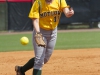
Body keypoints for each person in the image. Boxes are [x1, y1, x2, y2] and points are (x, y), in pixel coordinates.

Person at [15, 0, 74, 75]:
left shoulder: (59, 1)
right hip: (41, 32)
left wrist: (69, 13)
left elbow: (66, 11)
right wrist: (38, 33)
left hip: (53, 32)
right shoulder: (38, 3)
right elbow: (35, 20)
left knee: (45, 59)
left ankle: (21, 70)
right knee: (39, 60)